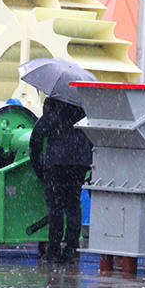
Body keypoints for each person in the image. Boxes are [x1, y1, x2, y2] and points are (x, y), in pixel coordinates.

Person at [29, 97, 93, 263]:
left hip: (56, 163)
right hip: (79, 162)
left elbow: (37, 138)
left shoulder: (53, 104)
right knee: (73, 206)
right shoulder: (85, 104)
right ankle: (71, 249)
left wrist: (40, 169)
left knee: (55, 208)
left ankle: (53, 250)